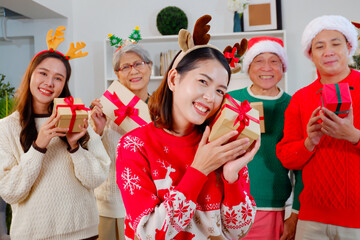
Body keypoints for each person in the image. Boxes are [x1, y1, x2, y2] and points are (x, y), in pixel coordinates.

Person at [116, 21, 260, 238]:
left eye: (220, 90)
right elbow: (150, 233)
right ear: (174, 79)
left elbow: (238, 230)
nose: (211, 98)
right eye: (203, 81)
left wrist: (231, 176)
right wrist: (200, 169)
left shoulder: (223, 144)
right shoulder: (135, 144)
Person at [0, 36, 110, 239]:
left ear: (64, 85)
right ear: (30, 75)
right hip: (34, 234)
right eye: (43, 73)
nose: (49, 83)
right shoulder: (6, 128)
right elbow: (9, 191)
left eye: (58, 78)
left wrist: (74, 146)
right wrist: (39, 146)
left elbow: (97, 178)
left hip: (84, 232)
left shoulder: (79, 117)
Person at [276, 15, 360, 239]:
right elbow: (286, 157)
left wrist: (354, 136)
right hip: (311, 219)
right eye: (319, 46)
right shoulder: (300, 99)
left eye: (336, 43)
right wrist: (308, 143)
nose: (328, 51)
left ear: (349, 47)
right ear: (310, 54)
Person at [229, 36, 303, 240]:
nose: (267, 68)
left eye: (274, 61)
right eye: (259, 60)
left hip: (273, 206)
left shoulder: (294, 105)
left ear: (283, 67)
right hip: (228, 205)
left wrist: (295, 215)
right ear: (248, 66)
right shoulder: (230, 100)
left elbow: (301, 167)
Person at [90, 43, 153, 240]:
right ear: (117, 74)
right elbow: (88, 159)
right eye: (125, 67)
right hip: (109, 208)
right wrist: (97, 131)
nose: (133, 71)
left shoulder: (164, 109)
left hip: (151, 207)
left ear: (150, 67)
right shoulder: (103, 109)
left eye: (139, 64)